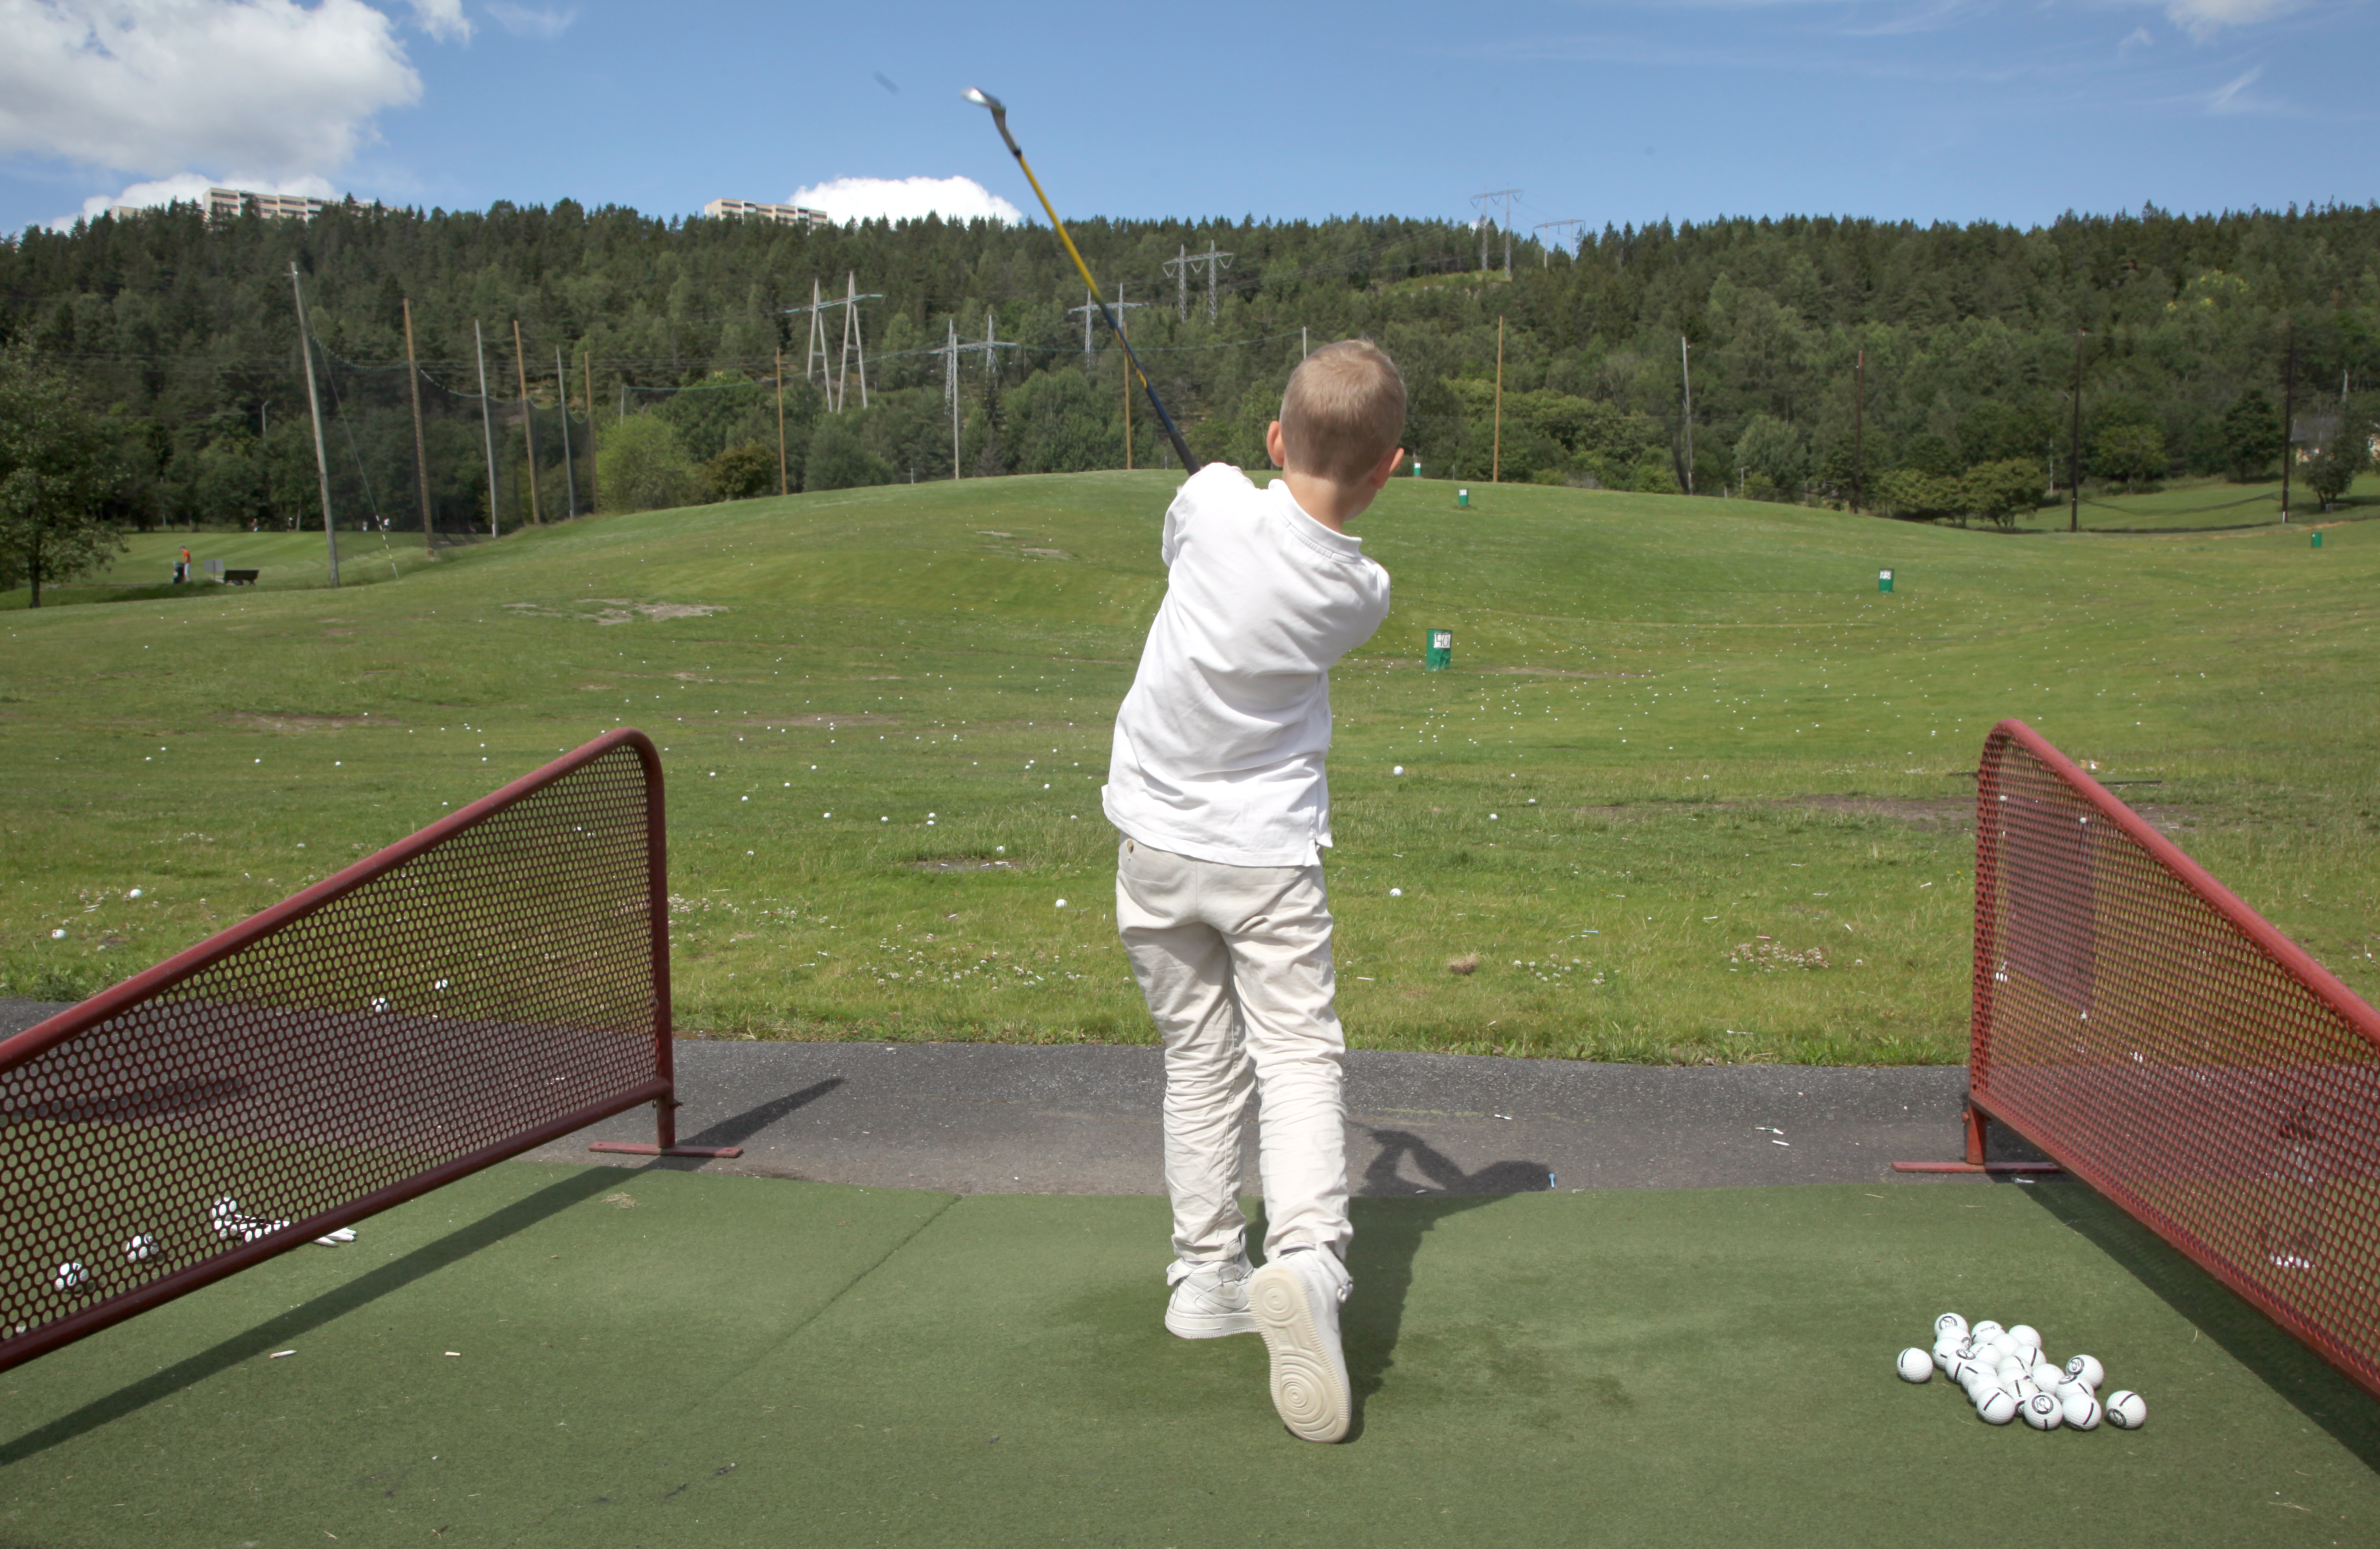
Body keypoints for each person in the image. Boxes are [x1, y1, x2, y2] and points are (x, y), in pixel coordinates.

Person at [1104, 339, 1406, 1444]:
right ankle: (1310, 1263)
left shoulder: (1217, 501)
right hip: (1267, 857)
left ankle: (1201, 1279)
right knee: (1294, 1052)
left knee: (1199, 1056)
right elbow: (1309, 526)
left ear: (1278, 439)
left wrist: (1236, 478)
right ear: (1388, 471)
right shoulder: (1362, 593)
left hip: (1154, 844)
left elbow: (1199, 518)